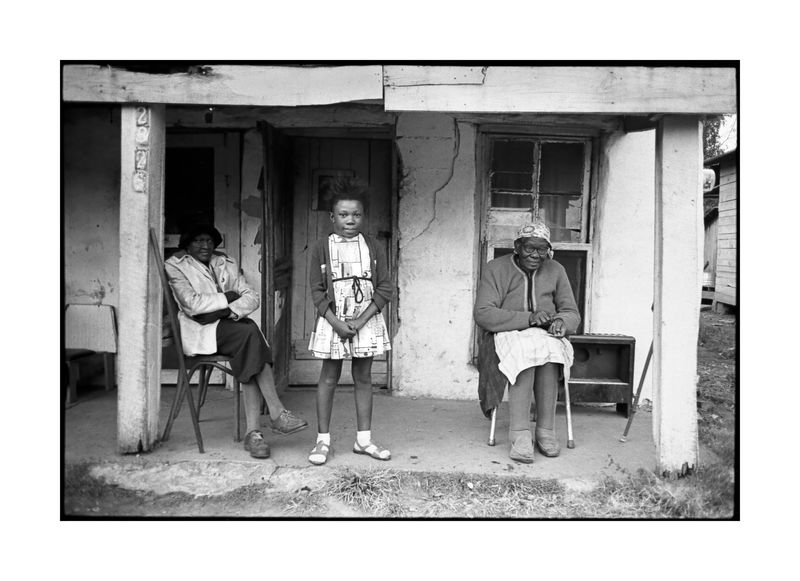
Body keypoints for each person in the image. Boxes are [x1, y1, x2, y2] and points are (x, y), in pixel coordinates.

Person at [165, 223, 307, 459]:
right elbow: (192, 305)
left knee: (248, 340)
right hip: (200, 330)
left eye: (209, 241)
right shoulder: (176, 265)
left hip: (230, 325)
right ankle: (276, 413)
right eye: (199, 241)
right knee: (250, 332)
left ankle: (255, 434)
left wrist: (228, 311)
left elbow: (252, 298)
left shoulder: (226, 262)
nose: (205, 245)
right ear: (187, 244)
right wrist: (230, 297)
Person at [474, 220, 580, 464]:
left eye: (542, 249)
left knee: (552, 352)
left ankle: (545, 430)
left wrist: (561, 322)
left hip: (545, 334)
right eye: (529, 248)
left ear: (548, 250)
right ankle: (520, 434)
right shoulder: (496, 269)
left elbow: (571, 311)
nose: (535, 255)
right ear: (517, 247)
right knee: (524, 353)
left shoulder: (556, 270)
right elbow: (483, 313)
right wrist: (529, 318)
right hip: (507, 333)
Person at [306, 178, 393, 465]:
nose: (350, 220)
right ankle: (322, 441)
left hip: (365, 320)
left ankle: (363, 440)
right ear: (332, 217)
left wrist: (360, 320)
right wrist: (337, 322)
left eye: (356, 214)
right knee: (329, 377)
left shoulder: (373, 246)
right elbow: (317, 292)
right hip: (333, 321)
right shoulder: (322, 247)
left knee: (363, 377)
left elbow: (384, 289)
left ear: (363, 216)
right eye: (343, 215)